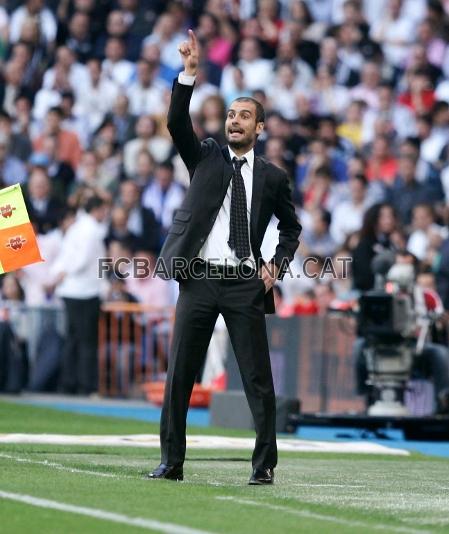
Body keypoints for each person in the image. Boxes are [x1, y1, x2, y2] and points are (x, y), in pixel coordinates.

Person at [148, 30, 301, 485]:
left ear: (260, 128)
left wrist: (276, 266)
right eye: (231, 114)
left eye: (244, 116)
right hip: (197, 280)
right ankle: (171, 462)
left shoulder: (273, 178)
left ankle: (264, 466)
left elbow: (292, 229)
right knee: (180, 377)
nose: (234, 121)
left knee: (258, 381)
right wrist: (189, 74)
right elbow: (177, 123)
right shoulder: (206, 158)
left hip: (244, 285)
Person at [50, 196, 108, 395]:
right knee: (86, 342)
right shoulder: (91, 231)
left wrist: (59, 274)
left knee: (72, 340)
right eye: (104, 210)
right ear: (97, 210)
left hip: (71, 290)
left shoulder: (75, 228)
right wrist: (66, 273)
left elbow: (65, 256)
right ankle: (85, 386)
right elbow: (82, 260)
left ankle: (68, 383)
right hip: (85, 292)